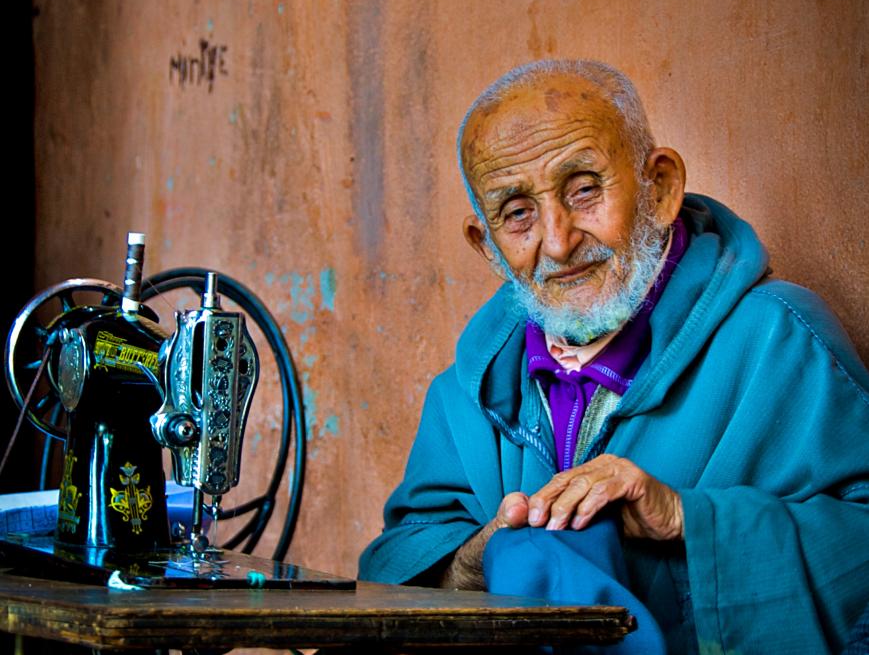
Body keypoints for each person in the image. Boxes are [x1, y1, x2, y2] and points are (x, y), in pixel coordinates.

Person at [358, 59, 869, 654]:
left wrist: (684, 518)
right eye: (518, 213)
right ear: (487, 245)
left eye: (583, 189)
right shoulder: (467, 392)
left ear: (660, 188)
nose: (558, 242)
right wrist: (483, 556)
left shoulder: (779, 338)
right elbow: (399, 563)